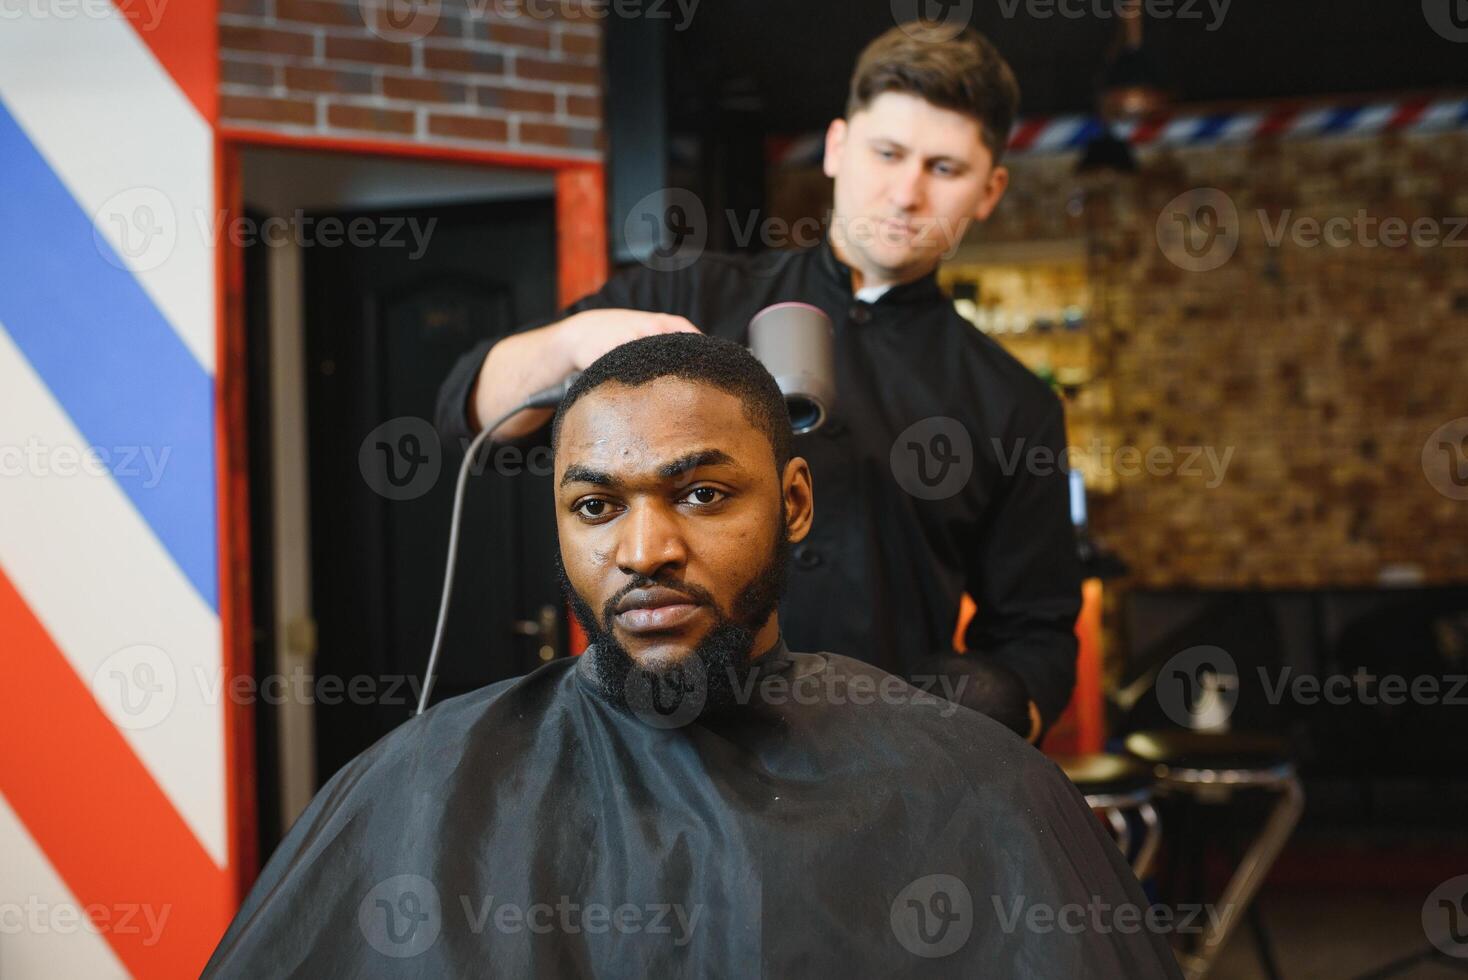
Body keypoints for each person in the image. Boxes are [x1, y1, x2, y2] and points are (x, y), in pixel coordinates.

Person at [206, 335, 1179, 978]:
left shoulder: (977, 789)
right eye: (596, 505)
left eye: (703, 494)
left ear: (793, 503)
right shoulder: (417, 783)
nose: (643, 550)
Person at [436, 24, 1080, 741]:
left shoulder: (1012, 402)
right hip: (661, 748)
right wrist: (571, 341)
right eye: (887, 153)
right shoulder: (691, 293)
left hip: (879, 769)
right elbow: (469, 415)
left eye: (945, 169)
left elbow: (1038, 631)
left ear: (989, 190)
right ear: (837, 147)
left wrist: (999, 715)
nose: (906, 193)